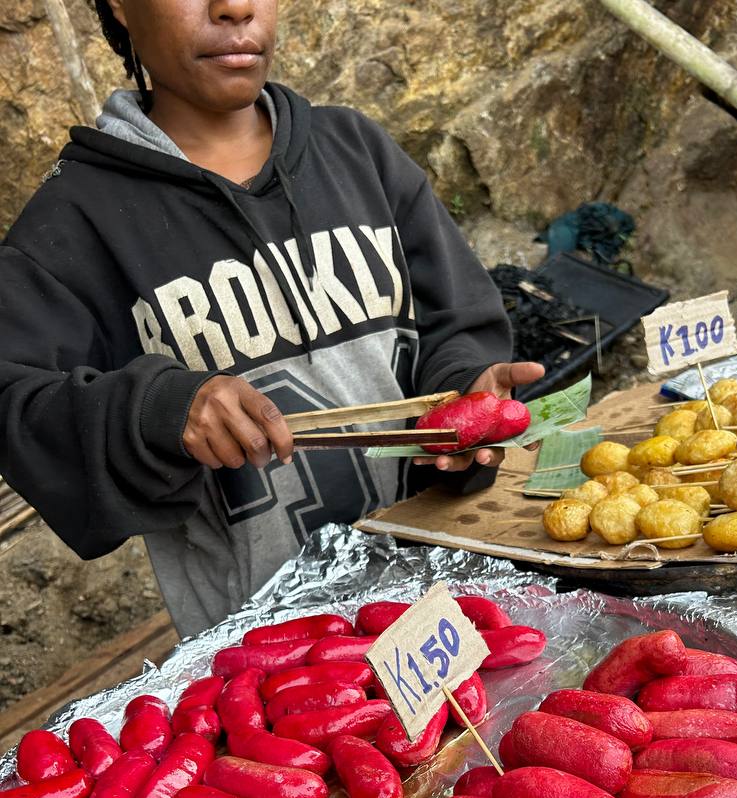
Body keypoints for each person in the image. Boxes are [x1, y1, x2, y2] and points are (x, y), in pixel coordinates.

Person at [0, 0, 543, 636]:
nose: (235, 7)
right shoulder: (72, 224)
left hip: (455, 599)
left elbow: (454, 323)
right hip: (275, 664)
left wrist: (462, 400)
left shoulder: (356, 152)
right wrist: (157, 407)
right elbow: (15, 402)